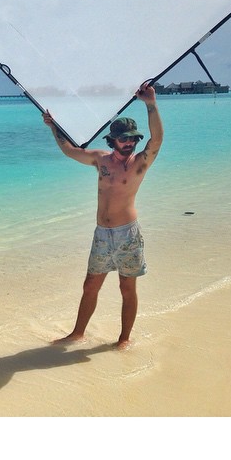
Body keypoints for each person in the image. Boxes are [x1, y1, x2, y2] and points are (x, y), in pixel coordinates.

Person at [43, 81, 163, 349]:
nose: (129, 143)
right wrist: (54, 127)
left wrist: (151, 105)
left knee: (126, 288)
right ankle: (77, 334)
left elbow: (156, 140)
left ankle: (124, 339)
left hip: (127, 234)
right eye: (124, 139)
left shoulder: (139, 163)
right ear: (112, 140)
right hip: (102, 235)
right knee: (90, 286)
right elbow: (70, 151)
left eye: (133, 139)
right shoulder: (101, 160)